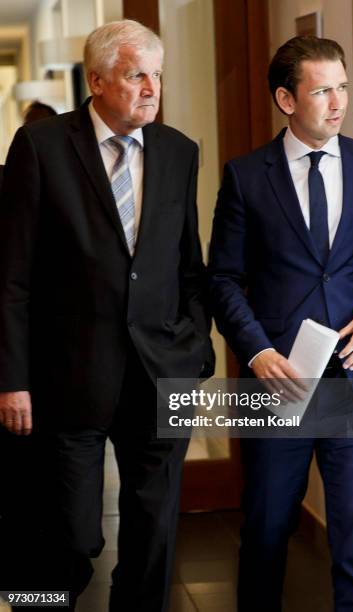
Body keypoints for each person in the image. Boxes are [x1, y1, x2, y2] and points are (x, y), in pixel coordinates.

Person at [0, 19, 214, 612]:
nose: (152, 87)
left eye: (158, 75)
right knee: (66, 536)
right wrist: (11, 380)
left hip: (160, 372)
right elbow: (11, 277)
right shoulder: (40, 147)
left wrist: (196, 349)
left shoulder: (179, 152)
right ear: (96, 81)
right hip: (67, 377)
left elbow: (187, 265)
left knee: (154, 534)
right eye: (135, 75)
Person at [208, 36, 353, 611]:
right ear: (286, 100)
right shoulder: (246, 177)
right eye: (322, 90)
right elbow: (221, 278)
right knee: (267, 534)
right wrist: (256, 353)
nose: (337, 101)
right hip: (277, 384)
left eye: (342, 87)